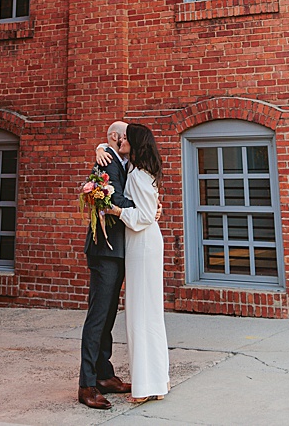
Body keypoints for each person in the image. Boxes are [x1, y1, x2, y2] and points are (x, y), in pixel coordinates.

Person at [103, 123, 170, 403]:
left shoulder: (139, 175)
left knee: (140, 315)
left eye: (126, 137)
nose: (121, 140)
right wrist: (100, 147)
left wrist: (116, 210)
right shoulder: (138, 169)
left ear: (135, 143)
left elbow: (143, 216)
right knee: (148, 313)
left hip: (142, 243)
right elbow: (109, 147)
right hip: (142, 243)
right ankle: (158, 381)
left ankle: (145, 386)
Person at [78, 120, 134, 409]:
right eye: (124, 137)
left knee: (109, 315)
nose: (127, 141)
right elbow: (117, 198)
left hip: (117, 251)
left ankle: (104, 375)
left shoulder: (117, 159)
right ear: (114, 137)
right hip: (105, 251)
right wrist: (145, 208)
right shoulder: (108, 160)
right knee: (98, 317)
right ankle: (86, 385)